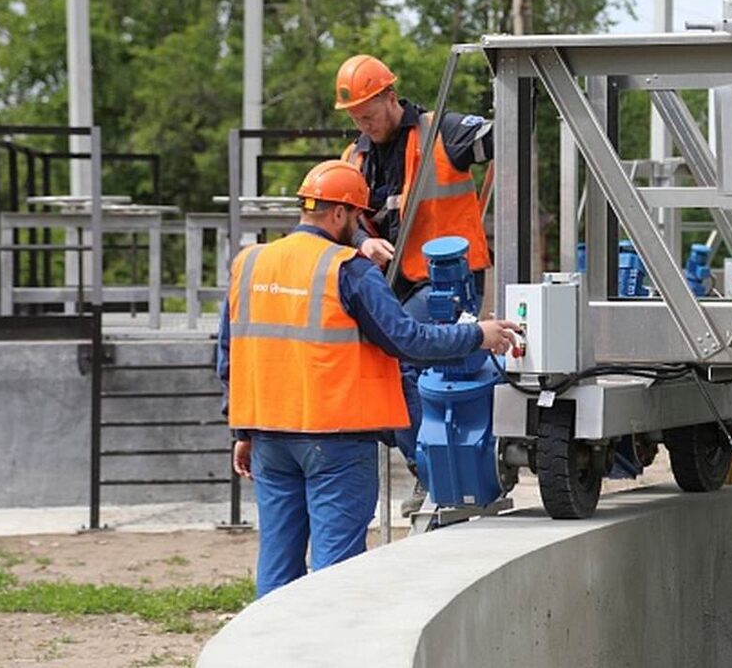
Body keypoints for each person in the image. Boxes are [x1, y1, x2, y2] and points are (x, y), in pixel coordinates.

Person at [217, 160, 517, 598]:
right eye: (358, 217)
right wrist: (478, 335)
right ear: (339, 213)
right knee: (337, 573)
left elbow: (230, 355)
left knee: (277, 567)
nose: (359, 227)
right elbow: (407, 339)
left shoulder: (250, 263)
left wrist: (242, 430)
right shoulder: (347, 268)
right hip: (336, 439)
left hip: (268, 437)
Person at [334, 53, 494, 514]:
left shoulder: (443, 131)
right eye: (354, 117)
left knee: (406, 358)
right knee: (386, 366)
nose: (363, 123)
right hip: (391, 282)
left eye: (368, 112)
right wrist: (363, 243)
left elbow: (500, 137)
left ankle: (434, 471)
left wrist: (509, 97)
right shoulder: (354, 157)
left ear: (389, 95)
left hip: (448, 279)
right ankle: (431, 463)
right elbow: (348, 221)